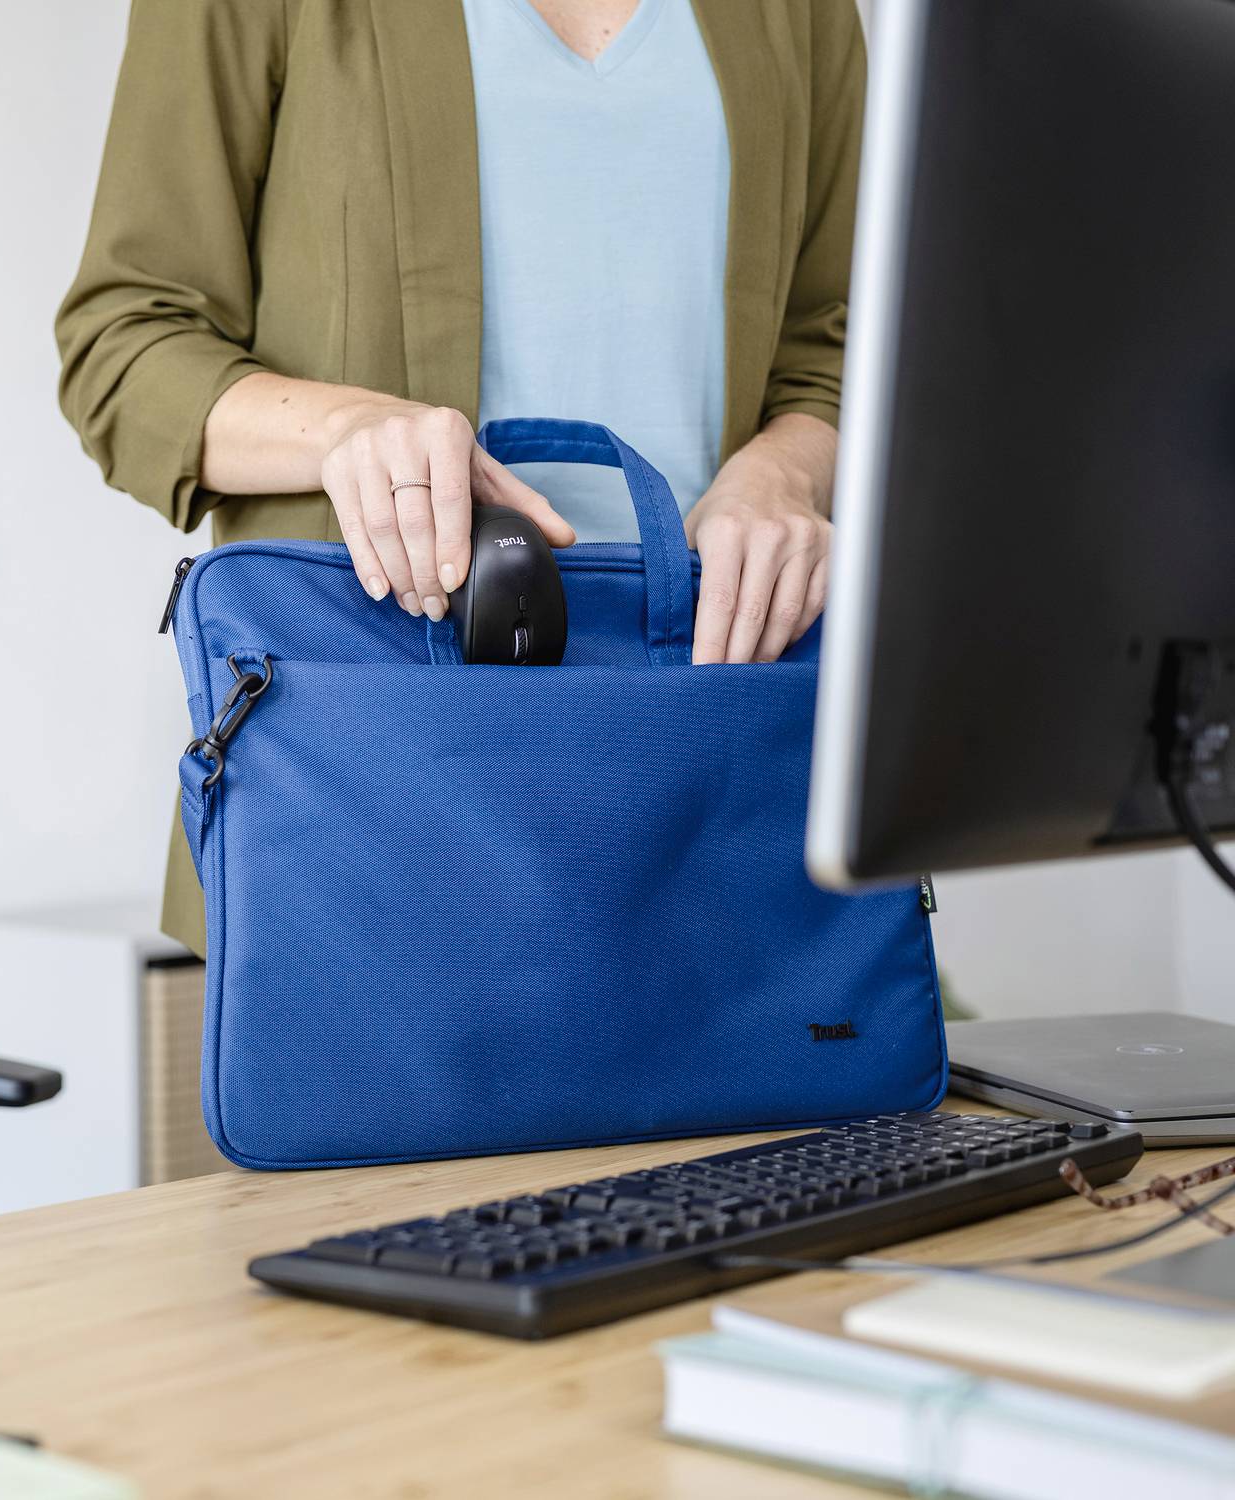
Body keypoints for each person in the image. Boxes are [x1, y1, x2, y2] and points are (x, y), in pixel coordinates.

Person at [57, 0, 865, 953]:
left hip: (719, 752)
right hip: (374, 781)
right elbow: (123, 347)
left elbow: (851, 338)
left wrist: (786, 470)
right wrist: (350, 429)